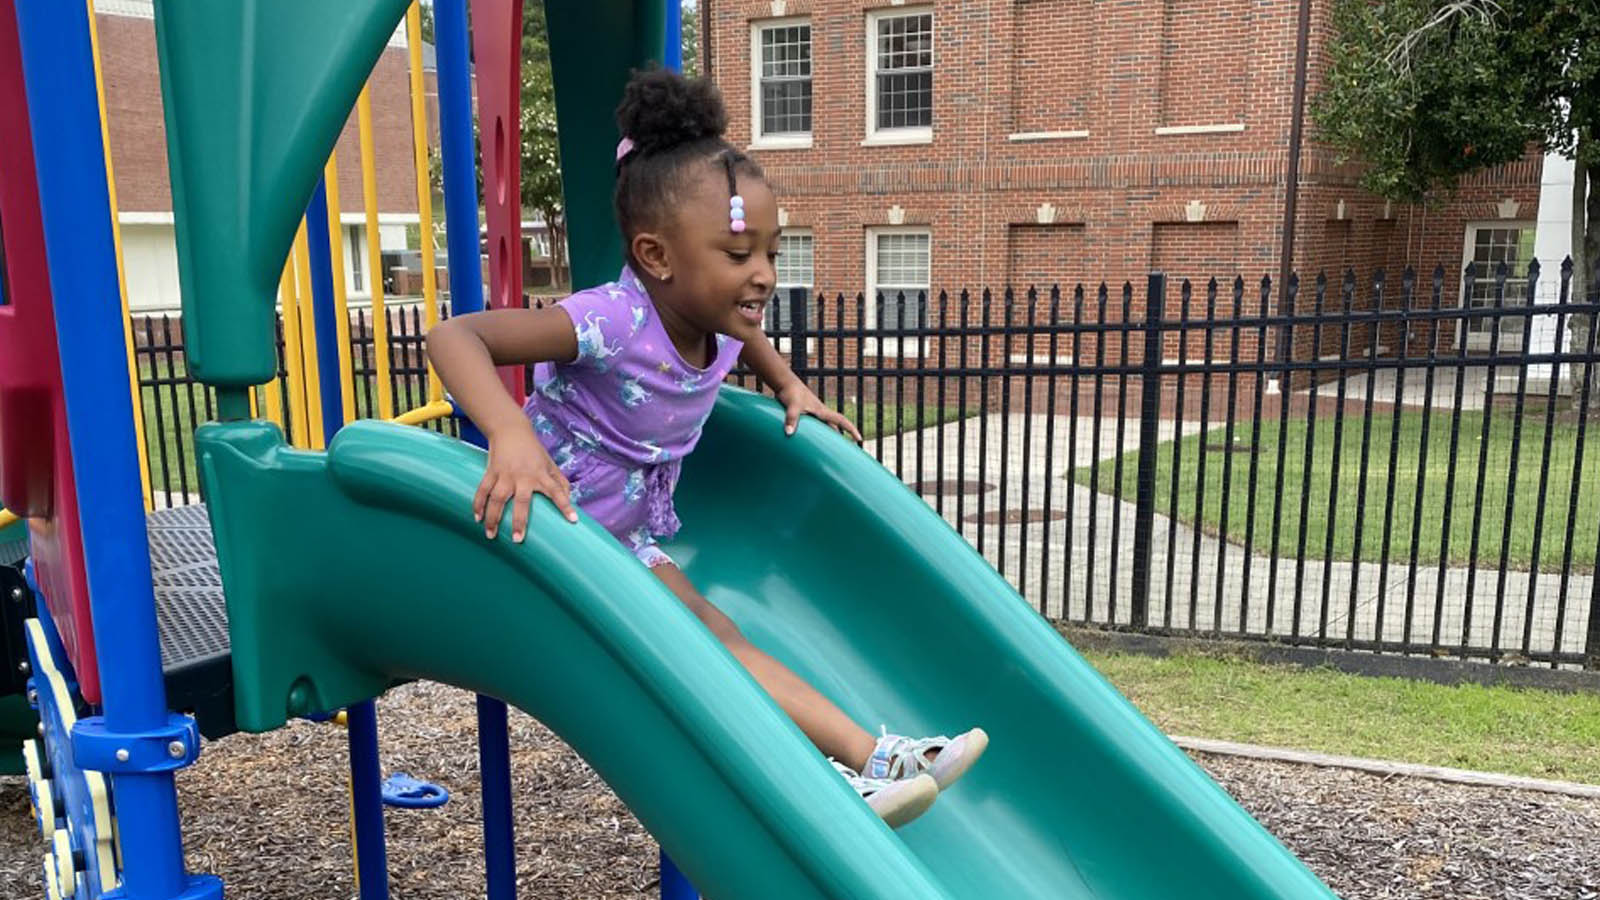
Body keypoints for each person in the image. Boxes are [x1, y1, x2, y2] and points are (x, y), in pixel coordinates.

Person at [426, 68, 985, 828]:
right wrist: (511, 434)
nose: (762, 274)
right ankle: (848, 772)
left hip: (626, 538)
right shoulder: (611, 319)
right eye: (736, 253)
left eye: (770, 252)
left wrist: (790, 386)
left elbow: (748, 335)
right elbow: (455, 335)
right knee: (706, 649)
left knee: (720, 634)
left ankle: (874, 759)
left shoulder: (717, 320)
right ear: (657, 257)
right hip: (554, 532)